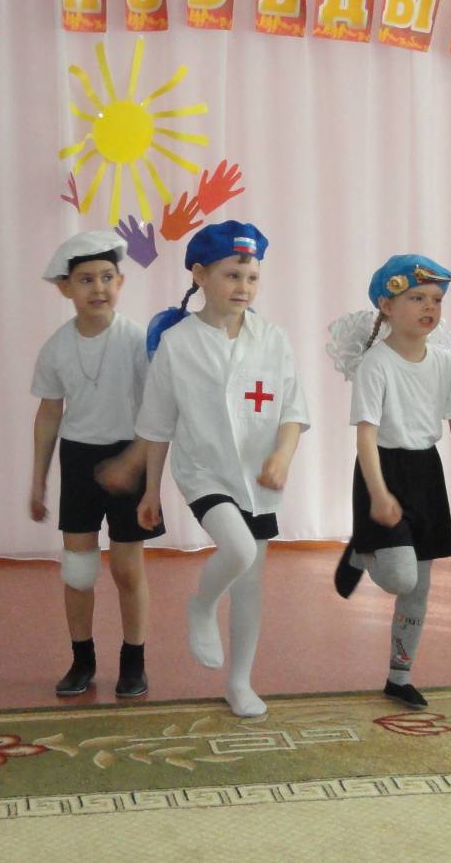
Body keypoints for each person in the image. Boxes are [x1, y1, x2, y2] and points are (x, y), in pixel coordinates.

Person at [137, 221, 309, 717]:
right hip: (203, 472)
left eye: (252, 278)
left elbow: (293, 410)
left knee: (251, 582)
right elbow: (157, 425)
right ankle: (201, 605)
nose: (243, 287)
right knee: (237, 549)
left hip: (258, 478)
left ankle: (239, 682)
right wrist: (151, 491)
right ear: (200, 275)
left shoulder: (272, 339)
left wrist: (282, 456)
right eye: (232, 275)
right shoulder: (177, 343)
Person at [330, 255, 451, 710]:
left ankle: (399, 677)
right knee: (400, 577)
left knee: (419, 589)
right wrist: (378, 494)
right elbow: (366, 434)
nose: (429, 307)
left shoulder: (444, 365)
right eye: (417, 298)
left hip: (426, 475)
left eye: (435, 299)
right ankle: (364, 549)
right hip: (382, 471)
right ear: (387, 306)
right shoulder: (376, 364)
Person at [30, 231, 163, 698]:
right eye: (85, 279)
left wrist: (137, 468)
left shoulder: (137, 340)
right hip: (79, 460)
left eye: (107, 277)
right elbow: (49, 413)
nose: (98, 288)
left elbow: (158, 412)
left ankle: (134, 661)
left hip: (131, 453)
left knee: (127, 569)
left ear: (120, 282)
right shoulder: (56, 347)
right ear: (65, 288)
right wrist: (38, 481)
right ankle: (81, 660)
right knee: (78, 572)